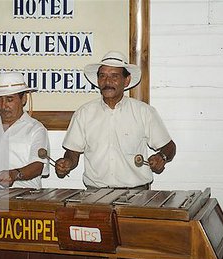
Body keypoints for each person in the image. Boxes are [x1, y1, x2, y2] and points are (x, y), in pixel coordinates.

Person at [55, 51, 176, 189]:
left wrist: (162, 157)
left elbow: (170, 147)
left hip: (137, 194)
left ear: (127, 80)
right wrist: (67, 163)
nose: (107, 81)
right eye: (103, 76)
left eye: (114, 76)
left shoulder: (144, 112)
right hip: (95, 195)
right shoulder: (84, 113)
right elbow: (73, 152)